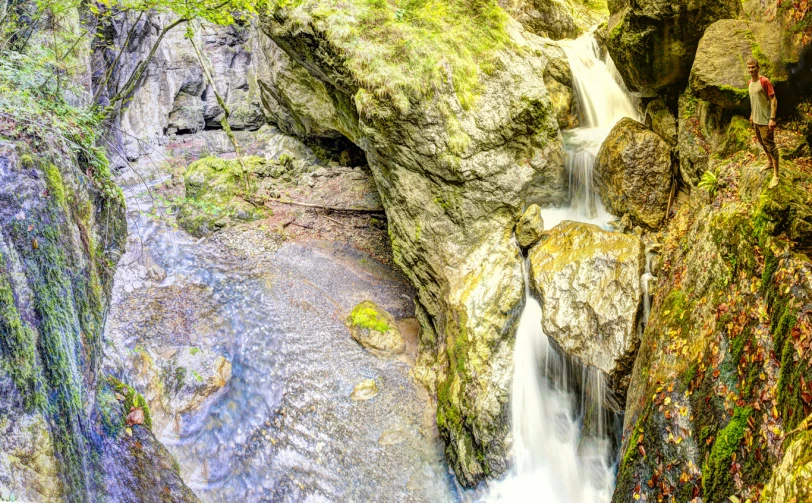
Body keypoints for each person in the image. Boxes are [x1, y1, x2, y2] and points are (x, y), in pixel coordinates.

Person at [747, 57, 779, 188]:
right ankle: (769, 162)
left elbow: (773, 100)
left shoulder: (764, 81)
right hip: (756, 119)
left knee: (770, 145)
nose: (751, 70)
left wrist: (772, 118)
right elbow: (755, 101)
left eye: (753, 67)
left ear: (758, 67)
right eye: (749, 67)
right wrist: (751, 114)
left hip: (766, 120)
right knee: (761, 142)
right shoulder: (750, 83)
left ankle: (776, 175)